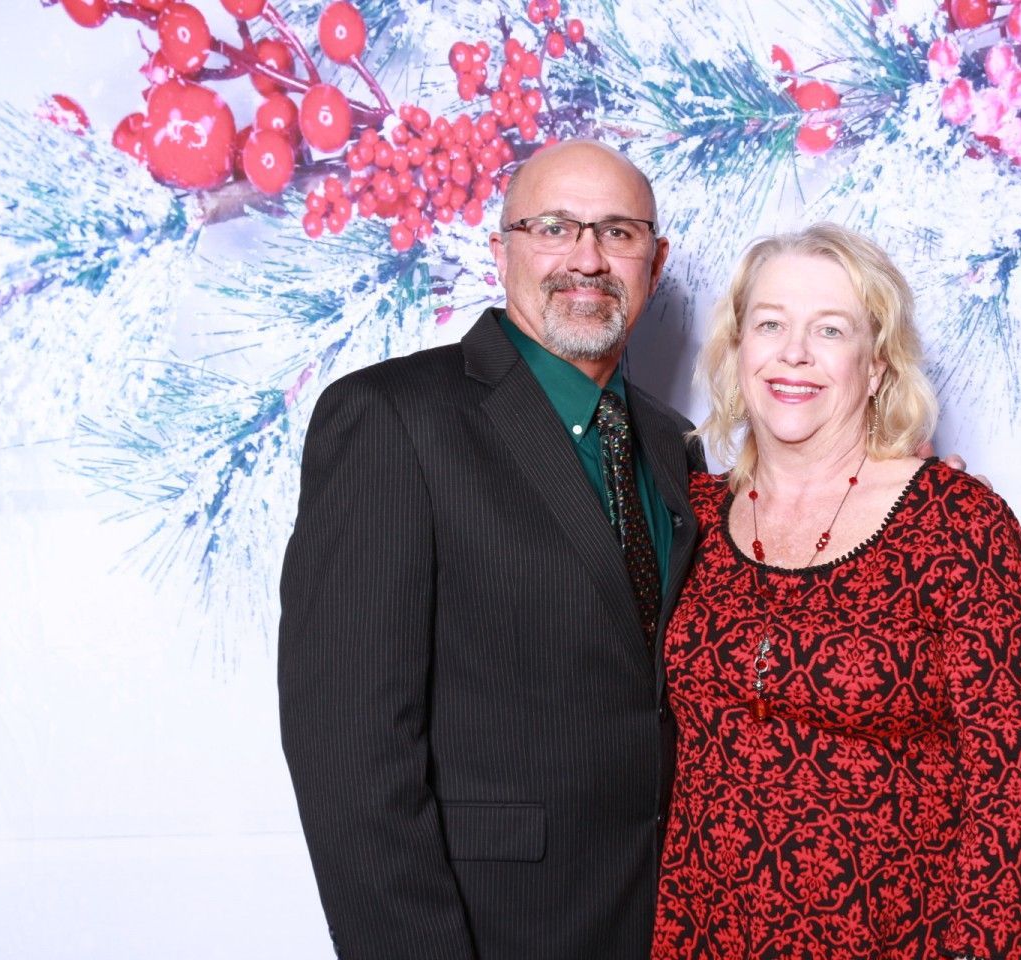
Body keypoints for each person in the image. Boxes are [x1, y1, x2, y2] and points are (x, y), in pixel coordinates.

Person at [278, 140, 703, 959]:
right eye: (553, 227)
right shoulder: (391, 418)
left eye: (618, 232)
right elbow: (349, 756)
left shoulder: (670, 442)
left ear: (656, 258)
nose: (587, 258)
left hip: (670, 924)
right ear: (499, 249)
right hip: (492, 929)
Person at [651, 224, 1021, 960]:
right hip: (701, 936)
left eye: (829, 329)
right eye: (769, 324)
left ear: (876, 366)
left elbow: (1009, 794)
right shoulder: (689, 514)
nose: (793, 352)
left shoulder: (957, 524)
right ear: (739, 351)